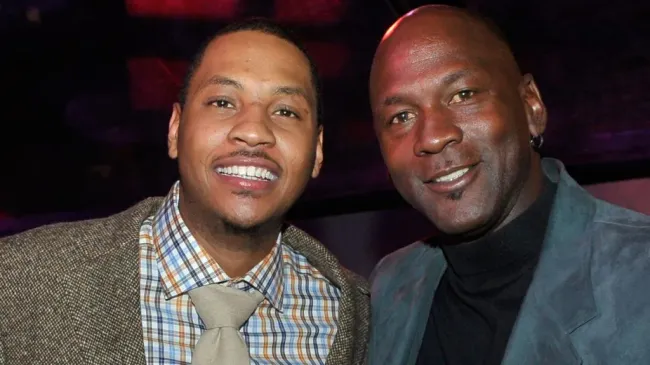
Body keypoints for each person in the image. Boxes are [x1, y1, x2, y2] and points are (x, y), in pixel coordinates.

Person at [0, 19, 369, 365]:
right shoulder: (18, 284)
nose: (254, 131)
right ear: (175, 129)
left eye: (286, 111)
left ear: (317, 151)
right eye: (222, 102)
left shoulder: (359, 318)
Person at [368, 5, 650, 365]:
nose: (433, 136)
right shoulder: (385, 289)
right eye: (401, 117)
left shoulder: (639, 275)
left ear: (531, 106)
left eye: (463, 94)